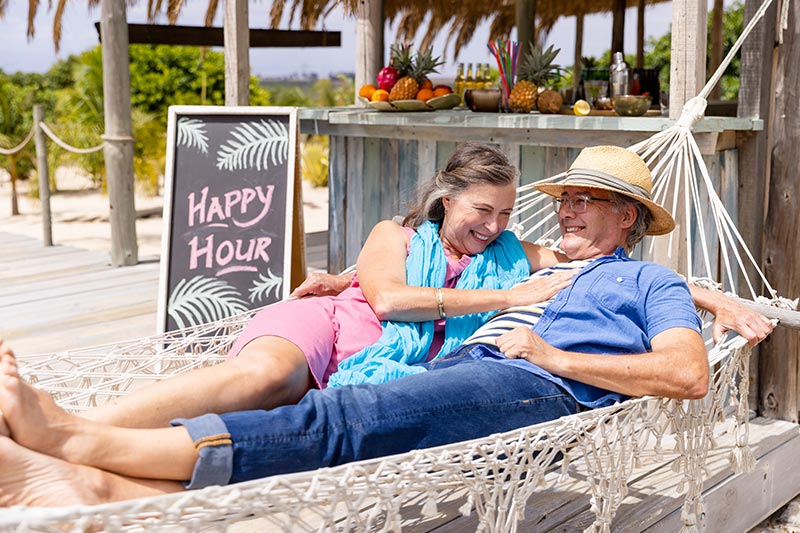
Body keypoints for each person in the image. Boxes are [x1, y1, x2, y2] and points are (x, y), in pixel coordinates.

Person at [0, 145, 775, 507]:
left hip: (531, 386)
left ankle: (73, 440)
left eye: (584, 198)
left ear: (629, 217)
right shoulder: (557, 265)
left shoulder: (647, 277)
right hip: (466, 368)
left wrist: (553, 349)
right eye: (564, 195)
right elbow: (400, 286)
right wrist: (346, 279)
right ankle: (101, 483)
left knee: (346, 418)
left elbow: (687, 373)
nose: (562, 207)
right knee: (342, 432)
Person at [62, 142, 575, 429]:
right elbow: (390, 300)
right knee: (264, 379)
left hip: (380, 374)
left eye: (505, 214)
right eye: (481, 210)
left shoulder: (509, 252)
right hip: (325, 326)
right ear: (447, 203)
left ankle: (90, 449)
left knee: (274, 421)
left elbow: (580, 259)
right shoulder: (394, 236)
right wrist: (508, 297)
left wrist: (605, 221)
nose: (493, 226)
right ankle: (81, 425)